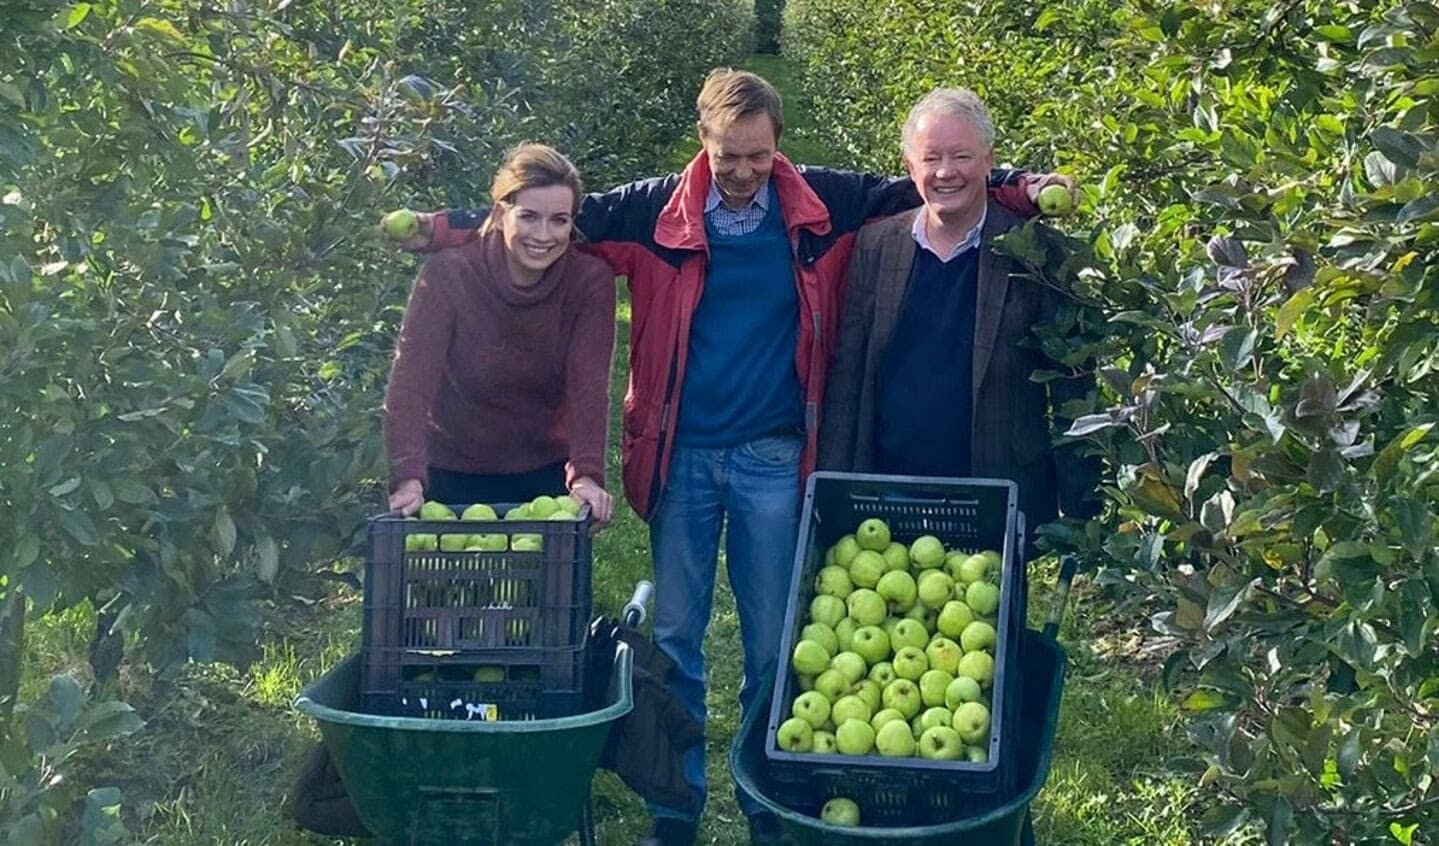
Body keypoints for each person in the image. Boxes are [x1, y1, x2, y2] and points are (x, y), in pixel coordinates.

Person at [382, 69, 1069, 846]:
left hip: (774, 455)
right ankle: (675, 810)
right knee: (675, 639)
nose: (741, 170)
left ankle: (769, 808)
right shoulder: (654, 210)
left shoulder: (818, 202)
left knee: (776, 642)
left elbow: (927, 185)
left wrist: (1021, 188)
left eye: (756, 155)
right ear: (701, 144)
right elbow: (553, 217)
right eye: (725, 154)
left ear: (779, 149)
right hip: (682, 456)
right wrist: (441, 227)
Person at [818, 88, 1101, 528]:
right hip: (889, 491)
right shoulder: (876, 246)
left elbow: (1073, 383)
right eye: (930, 159)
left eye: (962, 157)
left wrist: (1083, 510)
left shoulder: (1037, 253)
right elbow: (848, 372)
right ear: (911, 169)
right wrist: (832, 487)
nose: (945, 172)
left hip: (995, 494)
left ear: (989, 162)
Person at [382, 143, 616, 528]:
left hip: (543, 474)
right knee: (442, 586)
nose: (543, 234)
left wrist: (587, 475)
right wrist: (407, 476)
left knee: (544, 586)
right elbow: (411, 382)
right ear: (499, 213)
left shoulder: (588, 282)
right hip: (449, 470)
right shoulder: (450, 273)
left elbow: (588, 386)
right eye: (528, 217)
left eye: (559, 220)